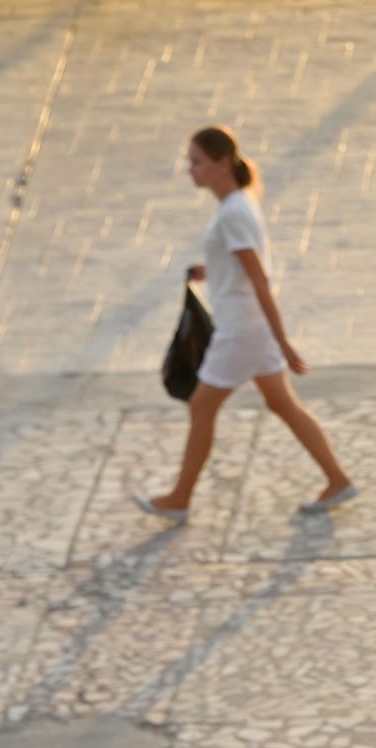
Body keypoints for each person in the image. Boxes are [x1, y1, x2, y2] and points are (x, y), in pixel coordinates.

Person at [134, 125, 356, 524]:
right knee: (282, 404)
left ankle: (180, 499)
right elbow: (241, 265)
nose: (190, 170)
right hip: (250, 326)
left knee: (202, 406)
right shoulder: (239, 203)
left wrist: (284, 342)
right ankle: (338, 480)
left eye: (197, 162)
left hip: (241, 330)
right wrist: (211, 269)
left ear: (221, 164)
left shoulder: (234, 212)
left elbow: (259, 278)